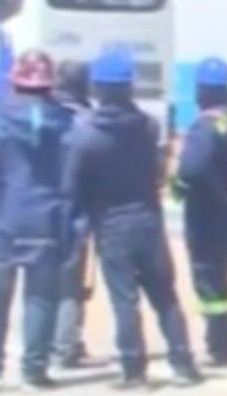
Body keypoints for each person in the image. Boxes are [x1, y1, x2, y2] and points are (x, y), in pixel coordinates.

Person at [65, 48, 201, 390]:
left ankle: (134, 372)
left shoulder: (85, 136)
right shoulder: (148, 127)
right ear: (128, 87)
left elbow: (71, 187)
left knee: (125, 301)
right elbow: (157, 171)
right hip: (149, 220)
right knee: (165, 296)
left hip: (111, 225)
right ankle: (183, 363)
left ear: (97, 89)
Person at [0, 49, 76, 392]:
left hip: (2, 220)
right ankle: (35, 371)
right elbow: (78, 174)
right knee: (41, 297)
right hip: (49, 221)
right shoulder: (66, 123)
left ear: (16, 82)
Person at [170, 56, 227, 366]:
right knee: (220, 276)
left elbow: (191, 168)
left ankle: (221, 345)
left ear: (203, 90)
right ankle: (226, 342)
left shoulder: (206, 124)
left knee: (209, 279)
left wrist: (177, 185)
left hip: (207, 216)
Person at [50, 60, 94, 368]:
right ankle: (66, 345)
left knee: (41, 282)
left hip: (40, 209)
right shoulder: (89, 121)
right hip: (76, 212)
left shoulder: (42, 115)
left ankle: (42, 344)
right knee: (71, 283)